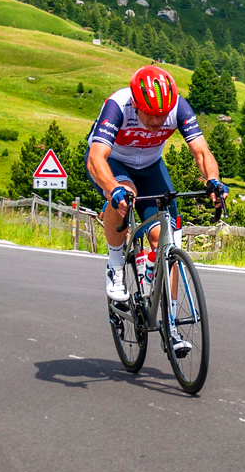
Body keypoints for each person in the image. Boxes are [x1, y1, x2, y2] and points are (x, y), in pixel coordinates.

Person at [85, 65, 228, 354]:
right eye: (151, 114)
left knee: (167, 241)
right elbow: (96, 157)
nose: (158, 120)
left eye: (163, 115)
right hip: (115, 163)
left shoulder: (178, 107)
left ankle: (171, 326)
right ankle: (115, 266)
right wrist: (113, 188)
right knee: (126, 196)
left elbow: (201, 151)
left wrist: (213, 180)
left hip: (151, 166)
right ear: (136, 104)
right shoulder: (118, 106)